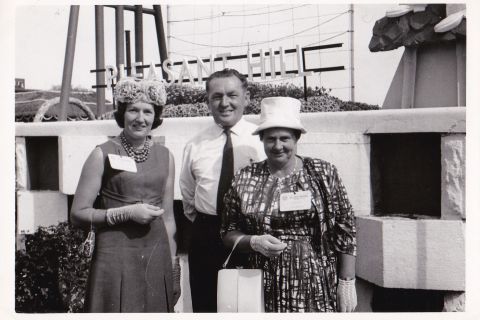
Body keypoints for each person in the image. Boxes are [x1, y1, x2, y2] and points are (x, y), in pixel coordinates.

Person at [220, 96, 357, 312]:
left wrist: (347, 280)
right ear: (262, 139)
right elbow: (228, 231)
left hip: (315, 282)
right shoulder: (246, 178)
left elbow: (346, 228)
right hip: (259, 284)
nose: (277, 146)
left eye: (285, 138)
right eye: (270, 139)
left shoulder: (322, 173)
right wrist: (253, 241)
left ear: (296, 138)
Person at [71, 72, 180, 312]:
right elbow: (78, 214)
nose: (140, 118)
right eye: (133, 110)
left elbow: (169, 218)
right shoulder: (102, 153)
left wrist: (174, 267)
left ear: (156, 116)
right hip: (114, 255)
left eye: (147, 111)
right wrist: (125, 213)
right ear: (122, 113)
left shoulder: (166, 156)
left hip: (155, 253)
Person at [179, 68, 265, 312]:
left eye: (232, 95)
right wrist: (209, 224)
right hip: (207, 234)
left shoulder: (262, 139)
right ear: (208, 101)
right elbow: (188, 195)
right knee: (206, 305)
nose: (224, 103)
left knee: (250, 307)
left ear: (246, 98)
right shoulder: (195, 144)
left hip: (252, 234)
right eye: (216, 96)